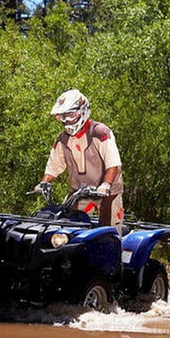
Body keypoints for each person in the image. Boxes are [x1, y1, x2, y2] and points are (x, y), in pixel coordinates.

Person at [34, 89, 124, 235]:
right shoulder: (63, 139)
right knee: (65, 226)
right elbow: (54, 165)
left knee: (109, 232)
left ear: (83, 111)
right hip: (80, 193)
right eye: (63, 116)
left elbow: (113, 163)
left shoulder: (100, 132)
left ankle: (113, 255)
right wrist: (45, 182)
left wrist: (106, 184)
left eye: (70, 115)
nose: (66, 120)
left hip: (108, 193)